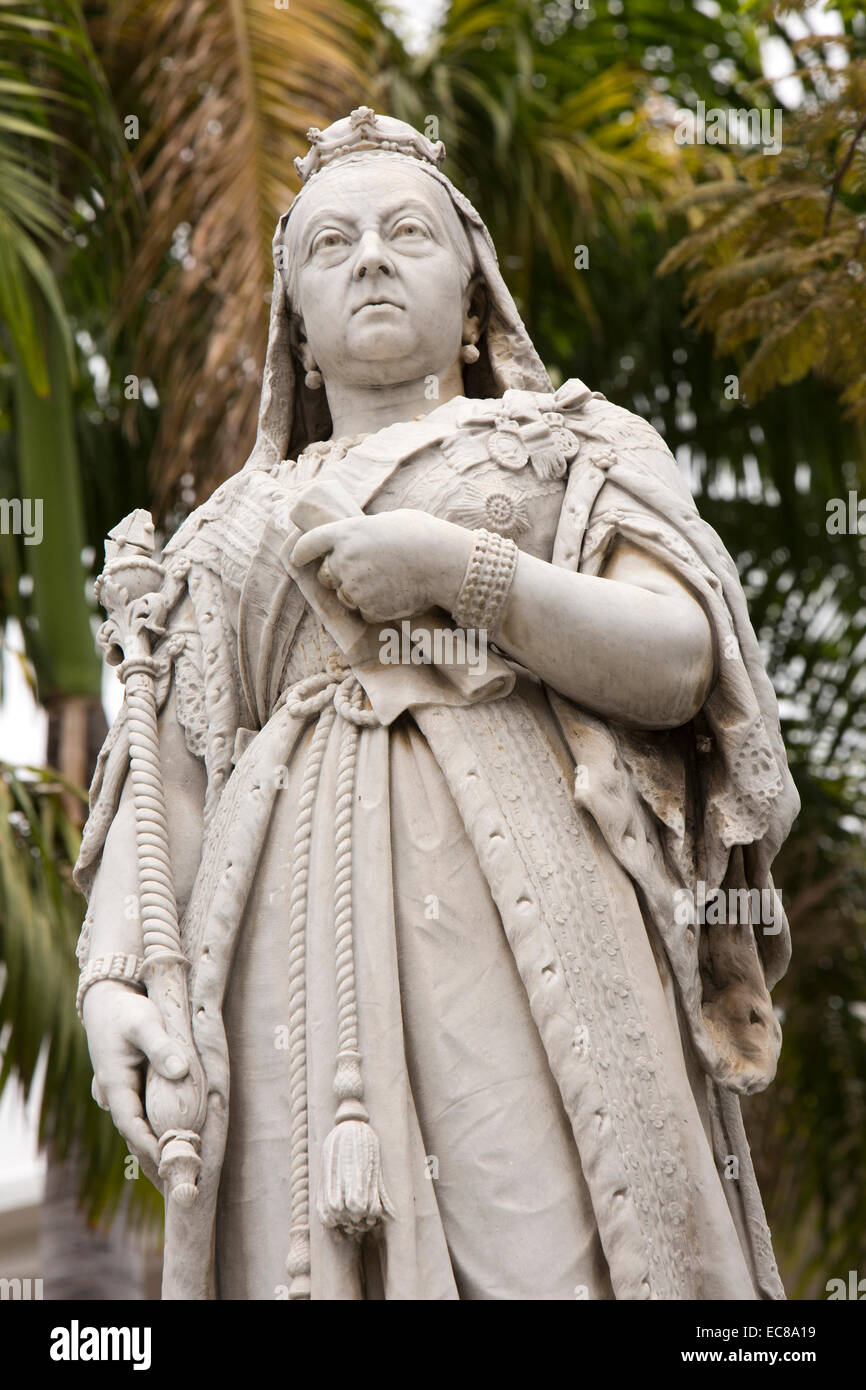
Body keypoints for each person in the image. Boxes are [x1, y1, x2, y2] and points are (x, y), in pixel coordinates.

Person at [75, 108, 798, 1300]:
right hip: (277, 941)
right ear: (295, 331)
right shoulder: (218, 536)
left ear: (473, 301)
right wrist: (112, 985)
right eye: (329, 245)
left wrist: (456, 574)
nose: (367, 256)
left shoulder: (577, 445)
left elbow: (677, 659)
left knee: (553, 1238)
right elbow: (173, 791)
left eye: (406, 232)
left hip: (528, 906)